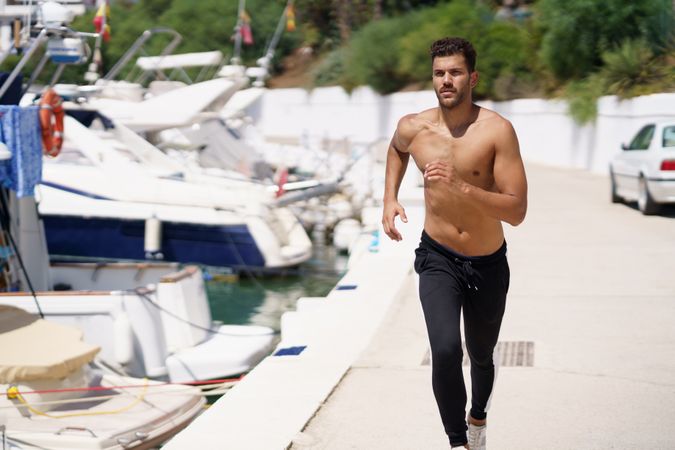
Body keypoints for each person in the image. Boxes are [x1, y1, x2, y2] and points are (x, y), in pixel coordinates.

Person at [381, 37, 528, 449]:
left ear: (473, 77)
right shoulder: (415, 127)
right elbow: (396, 149)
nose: (446, 80)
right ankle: (458, 441)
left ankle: (477, 415)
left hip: (486, 263)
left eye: (455, 72)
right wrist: (390, 198)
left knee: (481, 356)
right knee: (445, 349)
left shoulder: (497, 131)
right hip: (437, 255)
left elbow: (516, 211)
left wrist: (463, 187)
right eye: (439, 73)